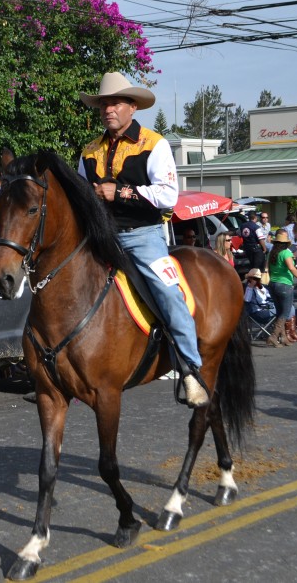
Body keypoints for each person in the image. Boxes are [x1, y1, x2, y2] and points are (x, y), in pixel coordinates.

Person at [77, 72, 208, 407]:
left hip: (143, 237)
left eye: (115, 103)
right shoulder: (89, 151)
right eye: (104, 104)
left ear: (132, 106)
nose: (108, 109)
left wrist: (119, 191)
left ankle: (190, 369)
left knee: (168, 293)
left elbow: (167, 195)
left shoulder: (154, 143)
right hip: (99, 238)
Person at [266, 229, 297, 347]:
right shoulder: (286, 253)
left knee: (279, 312)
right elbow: (291, 268)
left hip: (273, 284)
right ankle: (274, 336)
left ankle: (283, 338)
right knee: (285, 313)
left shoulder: (271, 253)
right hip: (284, 284)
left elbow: (268, 269)